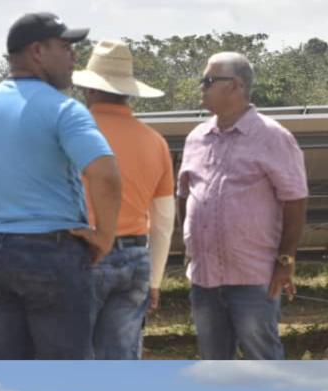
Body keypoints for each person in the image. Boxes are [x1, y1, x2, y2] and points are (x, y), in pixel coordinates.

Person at [0, 13, 120, 359]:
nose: (74, 58)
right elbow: (106, 174)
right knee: (65, 377)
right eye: (66, 47)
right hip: (52, 253)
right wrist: (104, 236)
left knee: (12, 377)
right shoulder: (64, 109)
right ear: (37, 51)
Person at [178, 52, 308, 360]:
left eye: (209, 81)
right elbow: (185, 194)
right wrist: (190, 245)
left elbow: (295, 198)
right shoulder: (197, 138)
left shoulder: (272, 136)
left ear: (235, 86)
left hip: (253, 275)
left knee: (262, 357)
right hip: (205, 278)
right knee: (215, 363)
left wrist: (285, 259)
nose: (202, 87)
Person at [72, 41, 175, 359]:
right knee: (120, 360)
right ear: (128, 91)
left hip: (79, 253)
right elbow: (163, 221)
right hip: (133, 258)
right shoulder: (155, 142)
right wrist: (155, 280)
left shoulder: (68, 134)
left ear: (89, 90)